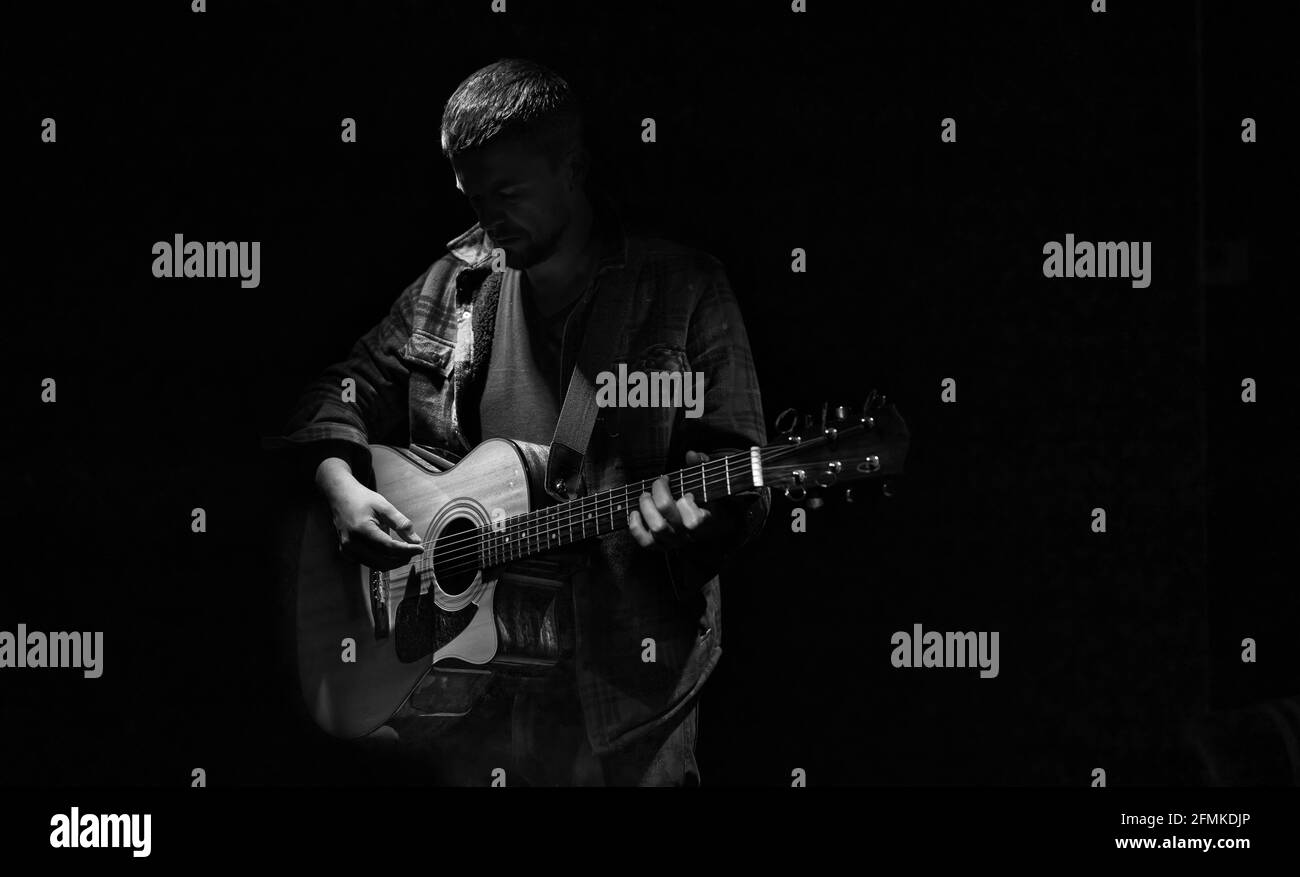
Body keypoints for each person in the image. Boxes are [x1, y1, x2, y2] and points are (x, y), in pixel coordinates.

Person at [275, 58, 769, 786]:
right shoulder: (451, 284)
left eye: (506, 192)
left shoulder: (682, 288)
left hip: (627, 687)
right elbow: (338, 389)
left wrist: (697, 513)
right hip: (476, 699)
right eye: (471, 194)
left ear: (571, 167)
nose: (487, 218)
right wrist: (337, 479)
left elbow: (740, 476)